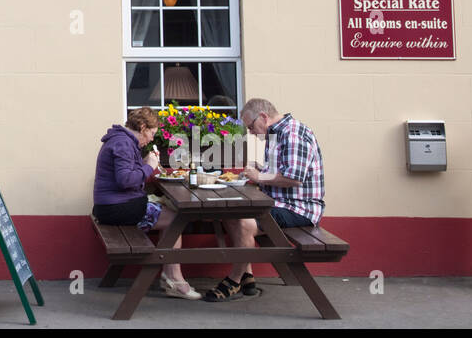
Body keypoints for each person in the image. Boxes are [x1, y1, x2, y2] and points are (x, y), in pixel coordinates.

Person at [203, 97, 325, 302]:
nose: (251, 132)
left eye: (251, 126)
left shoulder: (293, 134)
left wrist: (260, 177)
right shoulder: (277, 134)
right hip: (278, 203)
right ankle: (247, 275)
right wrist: (260, 170)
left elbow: (294, 179)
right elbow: (281, 171)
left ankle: (234, 279)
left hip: (299, 209)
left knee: (244, 222)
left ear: (263, 117)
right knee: (230, 215)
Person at [93, 107, 201, 300]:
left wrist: (143, 164)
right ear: (142, 127)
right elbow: (125, 180)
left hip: (111, 206)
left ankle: (171, 277)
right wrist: (149, 166)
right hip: (117, 209)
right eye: (151, 133)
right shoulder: (123, 143)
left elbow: (126, 172)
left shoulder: (122, 140)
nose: (152, 139)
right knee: (176, 219)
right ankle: (174, 279)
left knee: (169, 212)